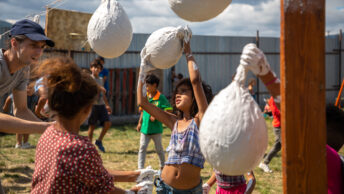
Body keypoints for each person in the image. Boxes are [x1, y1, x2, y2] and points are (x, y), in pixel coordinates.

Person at [31, 57, 155, 194]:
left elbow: (90, 172)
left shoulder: (47, 135)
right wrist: (132, 193)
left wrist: (134, 175)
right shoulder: (80, 149)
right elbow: (103, 189)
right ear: (87, 109)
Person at [137, 40, 213, 193]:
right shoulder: (174, 122)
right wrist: (142, 70)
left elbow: (196, 81)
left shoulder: (200, 120)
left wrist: (188, 52)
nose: (178, 94)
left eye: (184, 91)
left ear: (195, 98)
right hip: (165, 187)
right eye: (177, 92)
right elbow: (142, 102)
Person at [0, 19, 54, 134]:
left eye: (42, 47)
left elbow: (21, 110)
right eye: (33, 45)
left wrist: (49, 130)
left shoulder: (23, 69)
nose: (39, 52)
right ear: (14, 43)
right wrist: (47, 128)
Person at [136, 74, 172, 170]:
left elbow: (169, 110)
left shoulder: (161, 98)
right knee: (142, 148)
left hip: (156, 130)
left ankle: (163, 166)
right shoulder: (145, 97)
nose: (146, 88)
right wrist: (139, 123)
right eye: (145, 86)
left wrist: (157, 115)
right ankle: (140, 168)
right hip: (145, 129)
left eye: (148, 85)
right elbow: (143, 111)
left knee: (159, 149)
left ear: (155, 85)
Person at [87, 60, 112, 152]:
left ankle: (99, 140)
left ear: (101, 70)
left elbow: (103, 94)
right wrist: (99, 87)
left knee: (108, 123)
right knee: (92, 126)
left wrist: (107, 105)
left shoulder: (101, 79)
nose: (96, 69)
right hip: (93, 105)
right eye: (94, 67)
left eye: (98, 68)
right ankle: (89, 147)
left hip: (101, 104)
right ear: (91, 68)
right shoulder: (89, 78)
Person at [259, 96, 281, 173]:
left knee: (278, 146)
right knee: (285, 146)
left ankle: (265, 163)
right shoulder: (273, 99)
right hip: (279, 126)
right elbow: (275, 112)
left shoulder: (280, 96)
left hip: (282, 124)